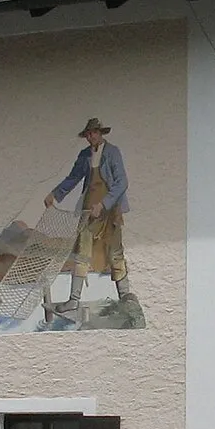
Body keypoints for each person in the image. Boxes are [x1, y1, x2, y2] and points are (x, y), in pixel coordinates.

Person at [46, 118, 133, 309]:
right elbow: (74, 177)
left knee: (115, 251)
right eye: (87, 134)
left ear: (100, 133)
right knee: (82, 253)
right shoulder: (85, 155)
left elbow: (122, 182)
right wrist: (55, 194)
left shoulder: (112, 152)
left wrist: (104, 204)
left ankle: (125, 295)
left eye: (93, 133)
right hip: (88, 210)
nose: (90, 136)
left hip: (110, 211)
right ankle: (74, 300)